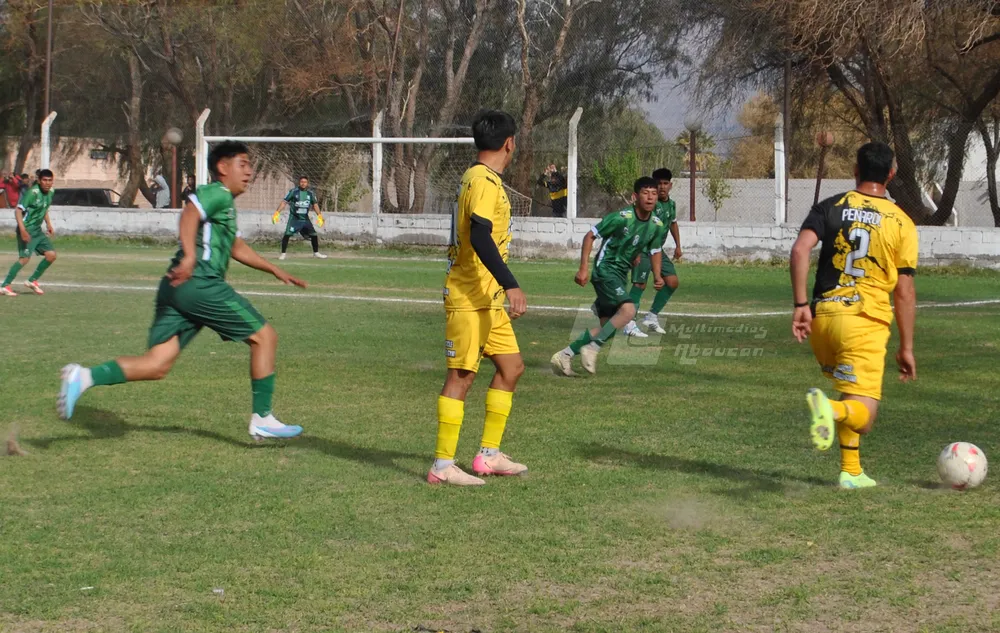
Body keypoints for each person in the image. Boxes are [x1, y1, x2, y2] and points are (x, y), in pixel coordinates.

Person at [57, 141, 309, 441]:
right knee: (265, 336)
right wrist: (190, 256)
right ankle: (262, 417)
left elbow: (236, 247)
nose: (249, 172)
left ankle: (82, 377)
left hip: (176, 287)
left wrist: (275, 269)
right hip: (199, 284)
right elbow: (189, 214)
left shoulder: (225, 204)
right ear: (222, 167)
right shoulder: (216, 193)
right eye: (242, 164)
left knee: (157, 364)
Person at [790, 141, 918, 489]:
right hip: (865, 322)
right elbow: (904, 290)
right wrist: (906, 347)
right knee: (864, 416)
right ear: (892, 174)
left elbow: (800, 250)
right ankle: (829, 410)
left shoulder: (831, 206)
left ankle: (851, 471)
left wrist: (801, 305)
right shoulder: (902, 222)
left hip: (823, 319)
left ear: (855, 170)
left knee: (852, 389)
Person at [428, 110, 529, 487]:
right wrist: (511, 283)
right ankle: (441, 465)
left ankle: (488, 455)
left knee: (511, 368)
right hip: (470, 295)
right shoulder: (483, 180)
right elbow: (481, 235)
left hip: (487, 298)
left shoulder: (479, 178)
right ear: (509, 143)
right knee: (462, 376)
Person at [551, 177, 667, 376]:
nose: (650, 197)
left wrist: (656, 275)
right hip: (605, 270)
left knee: (610, 326)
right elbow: (590, 235)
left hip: (620, 276)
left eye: (654, 193)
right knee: (629, 311)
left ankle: (565, 355)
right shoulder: (621, 217)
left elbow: (654, 250)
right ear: (634, 196)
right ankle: (593, 348)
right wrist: (583, 269)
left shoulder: (656, 225)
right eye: (645, 193)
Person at [624, 168, 682, 338]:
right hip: (642, 248)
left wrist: (678, 245)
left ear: (670, 185)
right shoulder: (649, 202)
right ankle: (629, 323)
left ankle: (651, 317)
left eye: (666, 183)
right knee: (639, 285)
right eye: (659, 184)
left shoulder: (671, 204)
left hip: (657, 249)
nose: (662, 187)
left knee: (672, 282)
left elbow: (673, 223)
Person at [1, 169, 57, 297]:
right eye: (44, 180)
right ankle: (5, 286)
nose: (47, 183)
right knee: (24, 259)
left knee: (51, 255)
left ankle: (32, 281)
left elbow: (44, 208)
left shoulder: (51, 192)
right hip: (27, 229)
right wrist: (23, 230)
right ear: (39, 181)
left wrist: (48, 224)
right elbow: (18, 211)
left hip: (37, 230)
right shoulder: (32, 193)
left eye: (50, 180)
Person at [272, 176, 327, 260]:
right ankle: (283, 254)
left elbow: (315, 204)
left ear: (307, 183)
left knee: (314, 235)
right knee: (287, 234)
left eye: (305, 182)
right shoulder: (293, 192)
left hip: (305, 219)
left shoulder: (310, 193)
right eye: (302, 182)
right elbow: (284, 202)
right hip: (294, 219)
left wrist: (319, 216)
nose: (303, 183)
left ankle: (316, 253)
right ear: (299, 182)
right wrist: (277, 213)